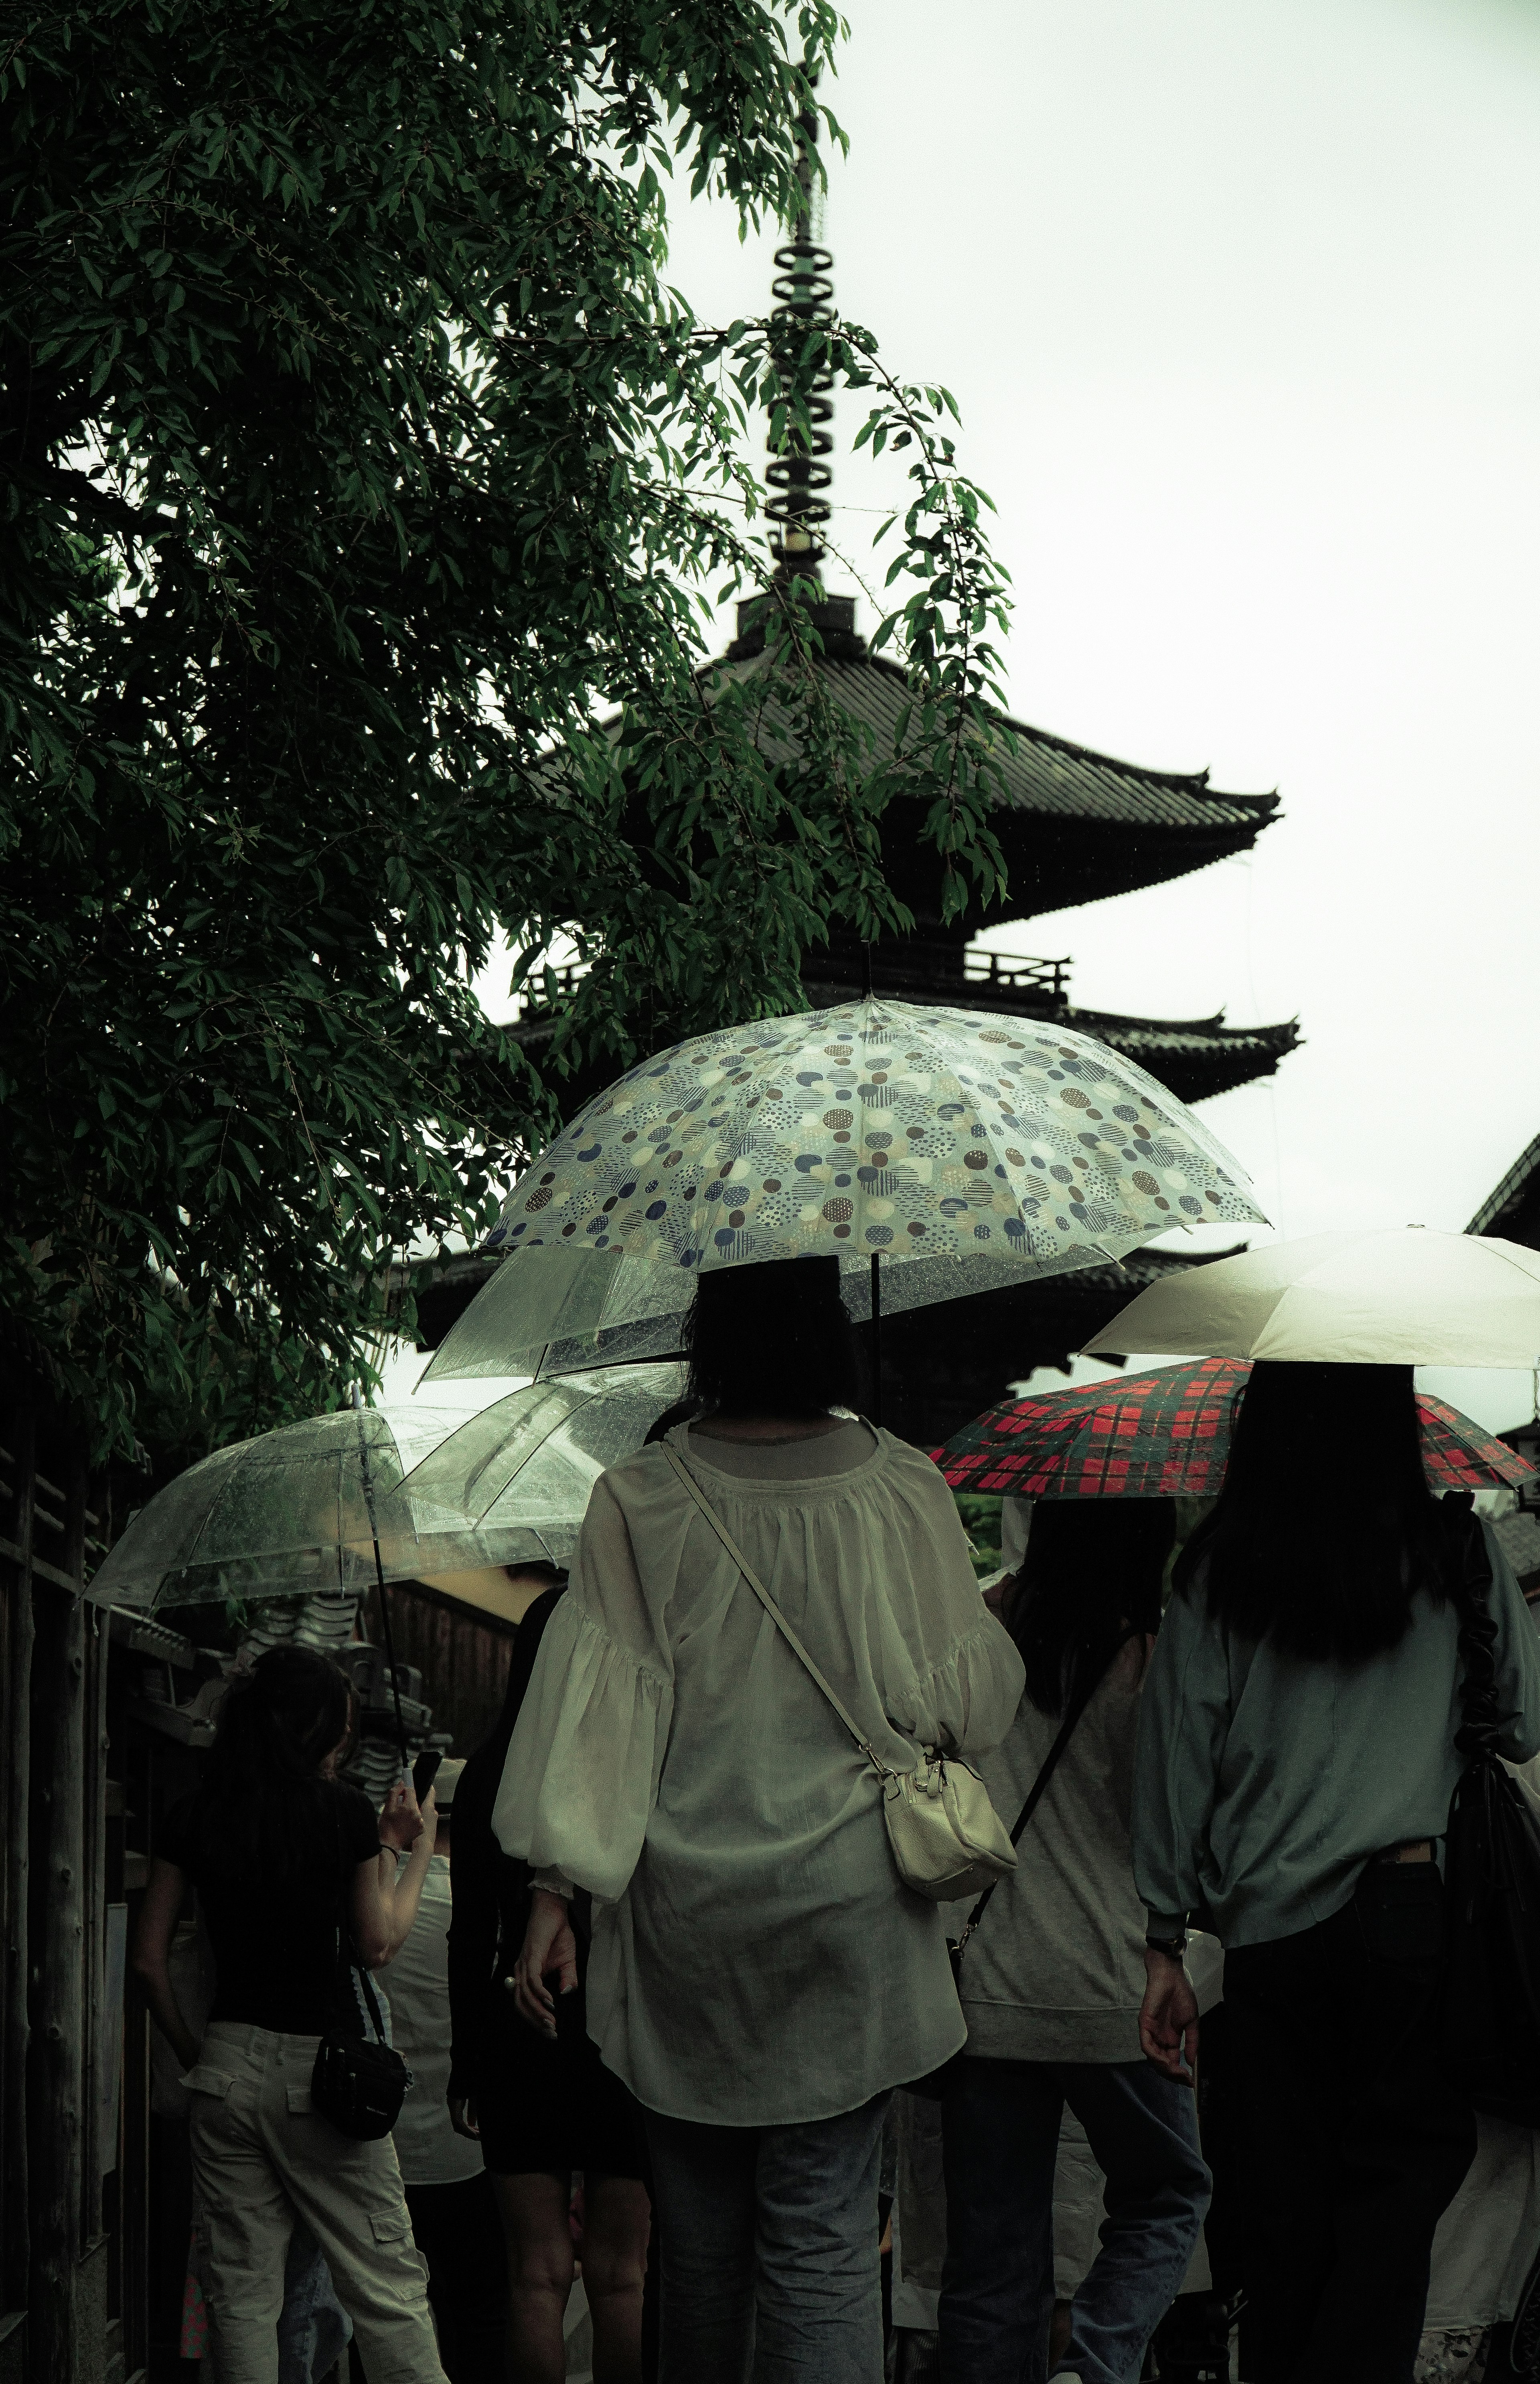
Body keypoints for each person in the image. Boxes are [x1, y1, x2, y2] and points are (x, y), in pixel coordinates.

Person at [496, 1254, 1027, 2384]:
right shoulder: (902, 1486)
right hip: (852, 1911)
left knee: (700, 2252)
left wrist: (554, 1895)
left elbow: (600, 1732)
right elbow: (969, 1703)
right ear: (830, 1331)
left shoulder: (637, 1496)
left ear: (710, 1334)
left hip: (684, 1921)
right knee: (826, 2239)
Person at [1133, 1361, 1540, 2384]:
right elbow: (1525, 1721)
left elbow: (1178, 1760)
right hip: (1412, 1916)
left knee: (1283, 2210)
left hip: (1270, 1936)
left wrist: (1162, 1938)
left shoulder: (1219, 1567)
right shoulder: (1456, 1547)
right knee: (1397, 2200)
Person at [937, 1498, 1213, 2384]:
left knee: (989, 2260)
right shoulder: (1157, 1660)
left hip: (985, 1989)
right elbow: (1182, 1827)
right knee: (1169, 2193)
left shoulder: (977, 1631)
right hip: (1115, 1988)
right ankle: (1093, 2369)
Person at [131, 1643, 448, 2384]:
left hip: (225, 2070)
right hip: (321, 2080)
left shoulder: (193, 1812)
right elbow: (377, 1942)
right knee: (387, 2283)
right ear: (311, 1731)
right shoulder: (341, 1813)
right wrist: (414, 1851)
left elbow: (148, 1959)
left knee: (239, 2296)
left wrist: (196, 2054)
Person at [448, 1562, 652, 2384]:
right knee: (621, 2276)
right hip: (620, 2027)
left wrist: (467, 2063)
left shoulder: (489, 1777)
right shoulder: (629, 1774)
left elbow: (469, 1933)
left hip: (516, 2023)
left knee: (535, 2274)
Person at [379, 1757, 510, 2383]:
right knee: (481, 2311)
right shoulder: (488, 1909)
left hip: (379, 2147)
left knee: (388, 2313)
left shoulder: (379, 1897)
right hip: (469, 2149)